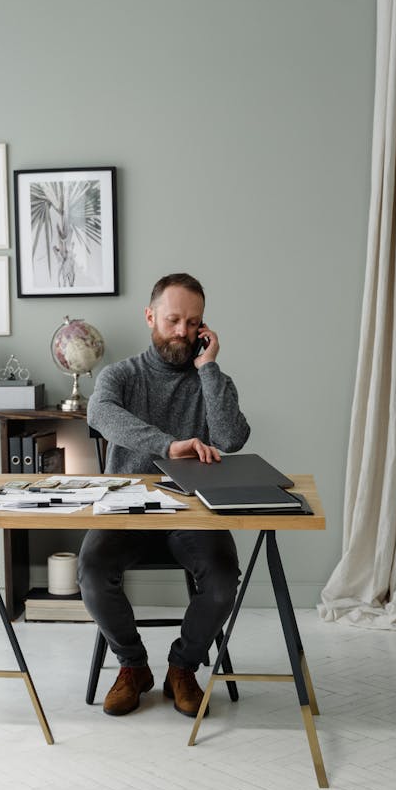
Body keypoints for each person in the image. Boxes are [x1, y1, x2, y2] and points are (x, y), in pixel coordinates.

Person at [78, 272, 250, 718]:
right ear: (150, 316)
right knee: (92, 572)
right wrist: (167, 446)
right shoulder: (122, 375)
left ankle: (182, 667)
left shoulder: (212, 378)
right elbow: (99, 414)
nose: (183, 332)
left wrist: (207, 367)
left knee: (221, 580)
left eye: (194, 324)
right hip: (127, 506)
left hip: (191, 510)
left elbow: (232, 438)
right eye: (173, 319)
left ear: (203, 328)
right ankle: (133, 667)